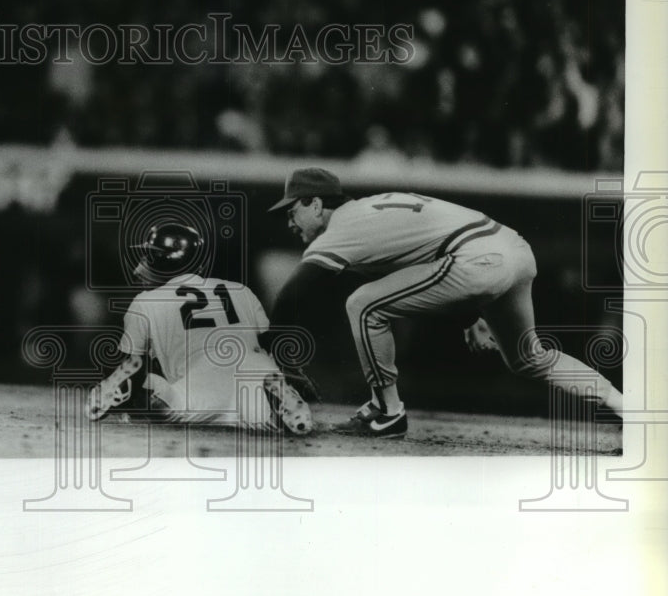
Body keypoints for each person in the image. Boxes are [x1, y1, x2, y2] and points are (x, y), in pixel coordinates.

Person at [267, 167, 624, 438]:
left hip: (476, 260)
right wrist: (470, 316)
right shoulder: (369, 211)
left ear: (316, 204)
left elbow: (293, 292)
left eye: (291, 211)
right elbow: (425, 261)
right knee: (530, 358)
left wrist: (274, 347)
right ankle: (624, 405)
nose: (289, 222)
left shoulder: (341, 229)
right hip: (514, 249)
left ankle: (387, 410)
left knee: (363, 304)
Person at [88, 223, 313, 435]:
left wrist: (113, 388)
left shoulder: (144, 301)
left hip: (200, 385)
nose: (138, 269)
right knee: (264, 419)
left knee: (161, 399)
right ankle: (278, 397)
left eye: (148, 257)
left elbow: (133, 365)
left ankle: (147, 388)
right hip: (255, 373)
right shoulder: (240, 290)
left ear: (161, 261)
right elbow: (269, 344)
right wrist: (292, 376)